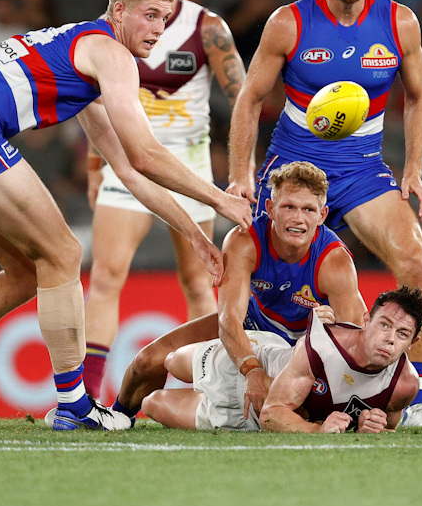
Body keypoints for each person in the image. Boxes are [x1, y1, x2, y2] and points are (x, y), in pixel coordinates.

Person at [0, 0, 252, 432]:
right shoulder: (112, 54)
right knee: (64, 252)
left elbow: (129, 171)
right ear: (119, 10)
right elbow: (146, 153)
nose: (159, 30)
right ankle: (74, 404)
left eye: (166, 18)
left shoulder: (82, 54)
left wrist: (196, 235)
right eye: (150, 15)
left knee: (24, 271)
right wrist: (220, 201)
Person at [225, 0, 422, 426]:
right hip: (293, 174)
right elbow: (248, 99)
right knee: (255, 276)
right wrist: (241, 177)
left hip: (362, 170)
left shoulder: (399, 22)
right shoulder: (289, 22)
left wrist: (413, 170)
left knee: (416, 260)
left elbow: (420, 98)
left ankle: (417, 402)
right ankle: (251, 378)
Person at [81, 0, 247, 399]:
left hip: (187, 167)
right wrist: (97, 166)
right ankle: (89, 398)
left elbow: (244, 98)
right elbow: (92, 100)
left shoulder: (207, 27)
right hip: (126, 165)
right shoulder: (114, 29)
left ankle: (211, 389)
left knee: (199, 281)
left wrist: (242, 168)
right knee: (107, 276)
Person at [108, 161, 366, 425]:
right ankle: (117, 417)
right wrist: (253, 371)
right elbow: (228, 319)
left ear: (322, 215)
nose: (298, 218)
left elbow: (354, 342)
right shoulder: (245, 240)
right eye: (289, 207)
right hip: (250, 324)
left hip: (299, 350)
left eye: (308, 210)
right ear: (270, 209)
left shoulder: (335, 262)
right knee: (146, 361)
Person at [143, 286, 422, 433]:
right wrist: (319, 431)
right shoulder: (323, 345)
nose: (390, 338)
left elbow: (387, 427)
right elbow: (274, 412)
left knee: (153, 403)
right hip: (256, 366)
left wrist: (371, 427)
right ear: (366, 320)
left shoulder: (405, 384)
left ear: (412, 342)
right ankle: (118, 409)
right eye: (384, 325)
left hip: (248, 418)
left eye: (402, 333)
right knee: (170, 361)